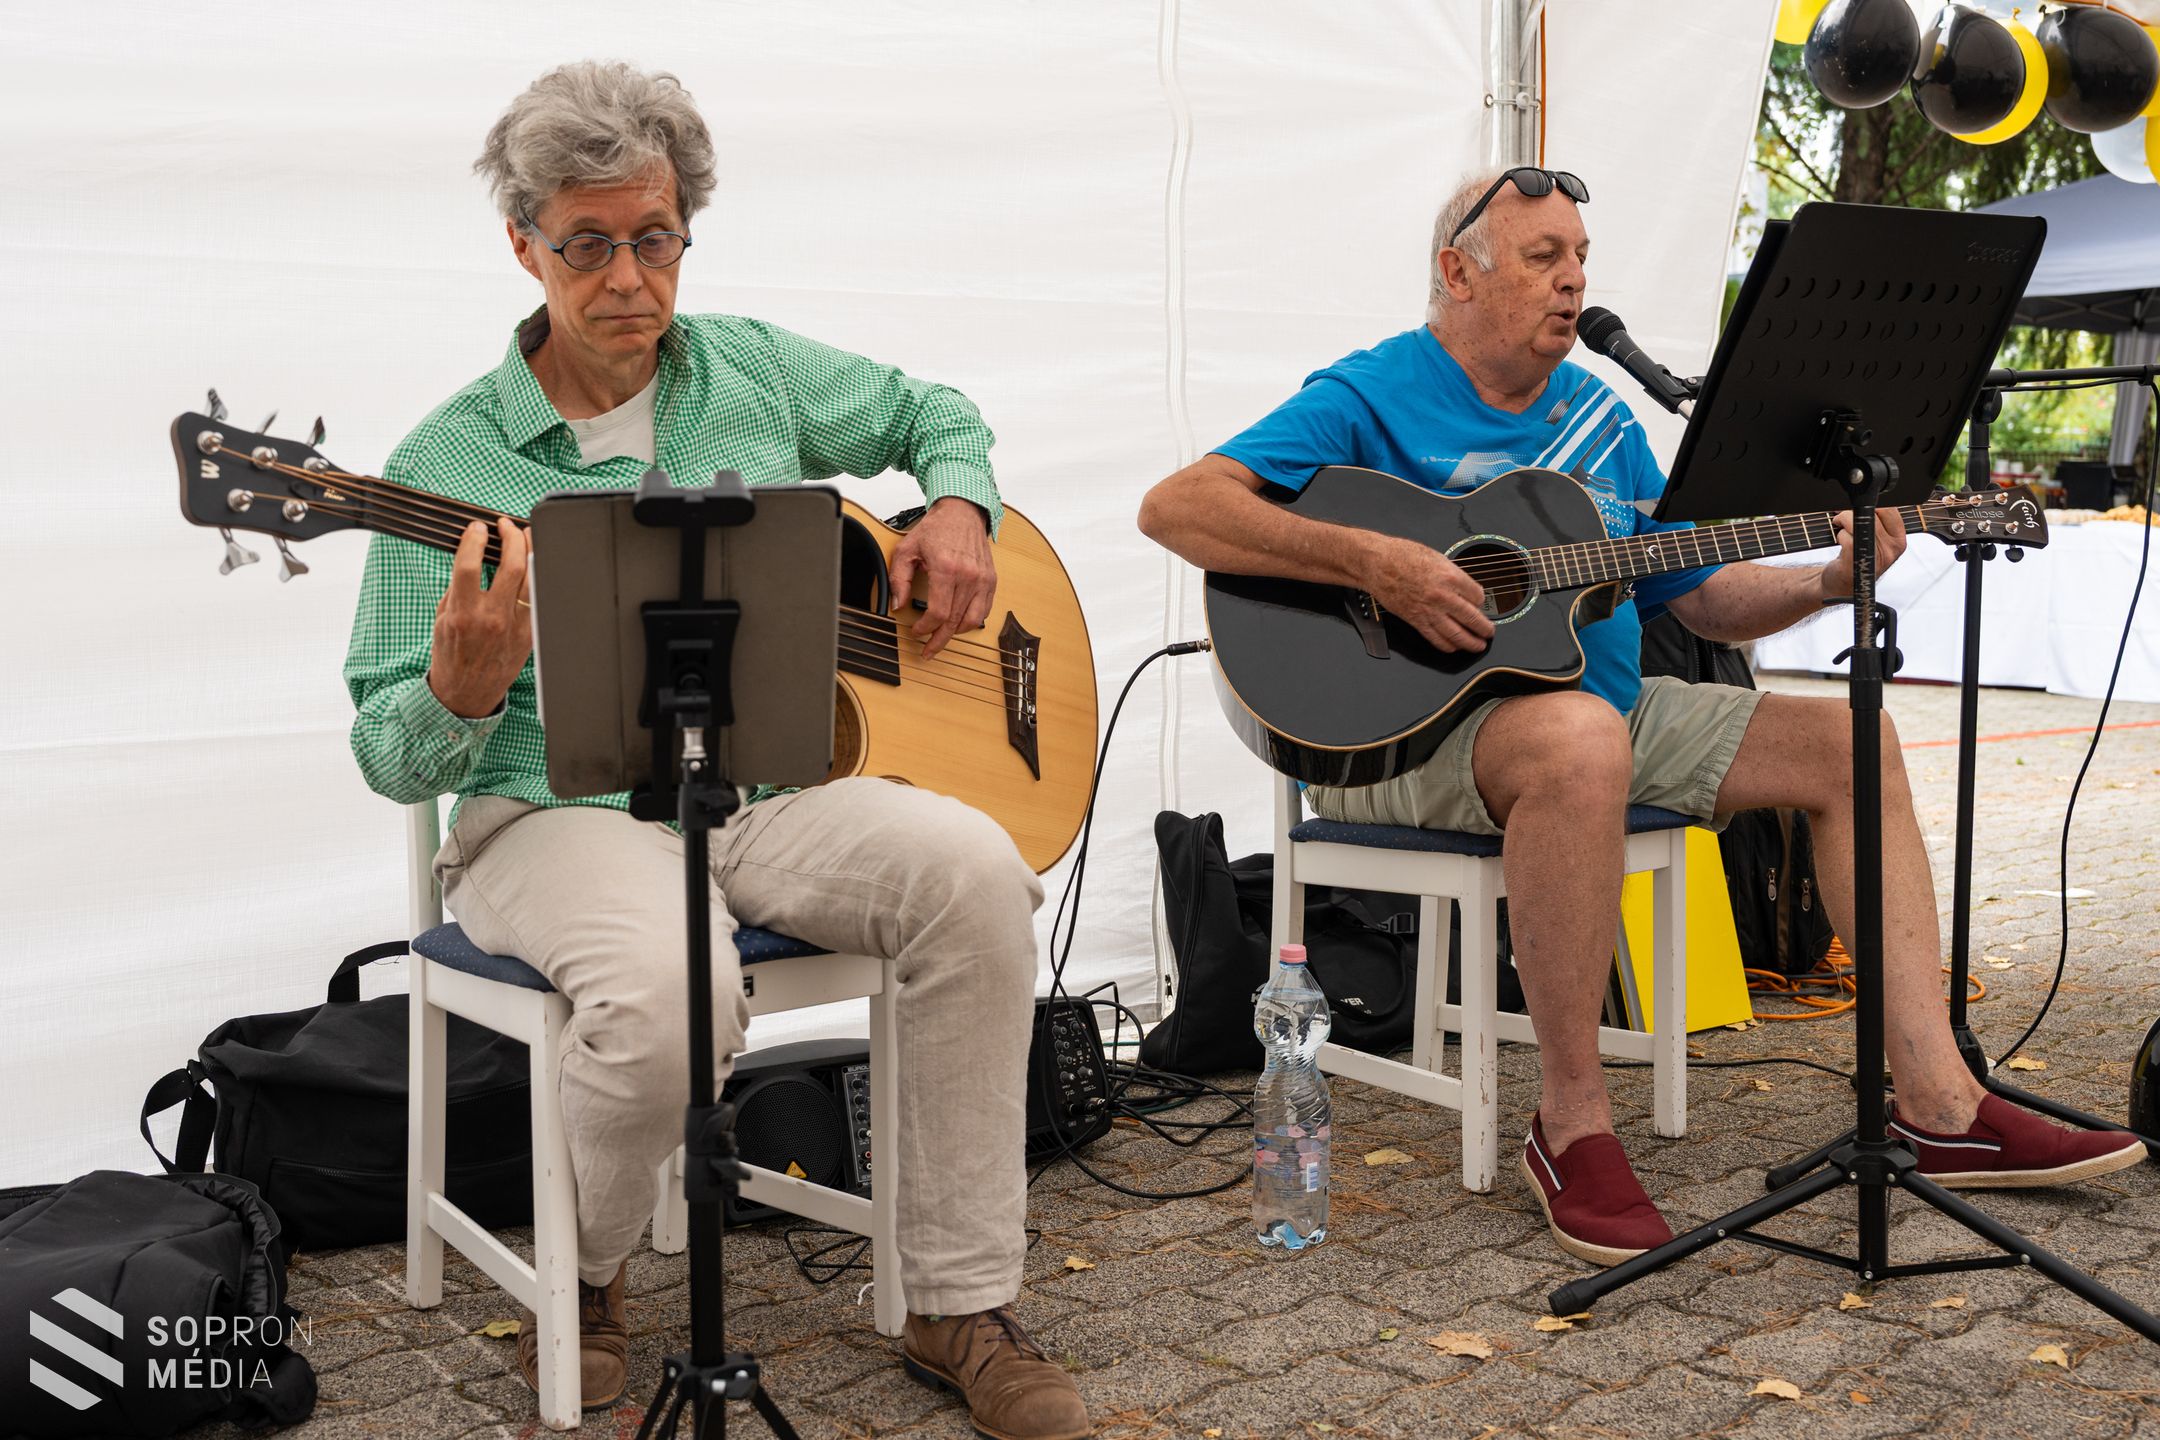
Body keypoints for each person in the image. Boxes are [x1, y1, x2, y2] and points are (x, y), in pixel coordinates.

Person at [1136, 165, 2145, 1266]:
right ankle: (1570, 1121)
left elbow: (1698, 595)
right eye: (1542, 259)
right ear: (1456, 271)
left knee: (1848, 737)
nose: (1572, 283)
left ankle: (1941, 1102)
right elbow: (1177, 507)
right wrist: (1376, 561)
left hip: (1602, 712)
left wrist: (1820, 581)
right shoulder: (1368, 393)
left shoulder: (1600, 416)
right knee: (1581, 737)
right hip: (1408, 735)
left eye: (1580, 260)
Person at [342, 61, 1088, 1440]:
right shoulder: (443, 462)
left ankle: (956, 1301)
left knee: (976, 876)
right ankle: (593, 1274)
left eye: (656, 237)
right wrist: (456, 688)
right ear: (525, 245)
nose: (628, 276)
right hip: (550, 811)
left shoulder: (747, 368)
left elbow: (936, 410)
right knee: (674, 993)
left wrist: (962, 506)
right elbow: (388, 750)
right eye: (588, 243)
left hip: (774, 784)